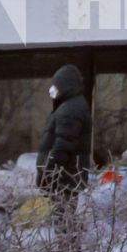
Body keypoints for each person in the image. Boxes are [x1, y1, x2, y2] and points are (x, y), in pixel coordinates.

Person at [36, 63, 90, 191]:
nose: (52, 89)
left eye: (56, 85)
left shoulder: (70, 110)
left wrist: (47, 175)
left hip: (62, 184)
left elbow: (63, 146)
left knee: (60, 211)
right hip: (66, 182)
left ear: (65, 86)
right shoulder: (70, 106)